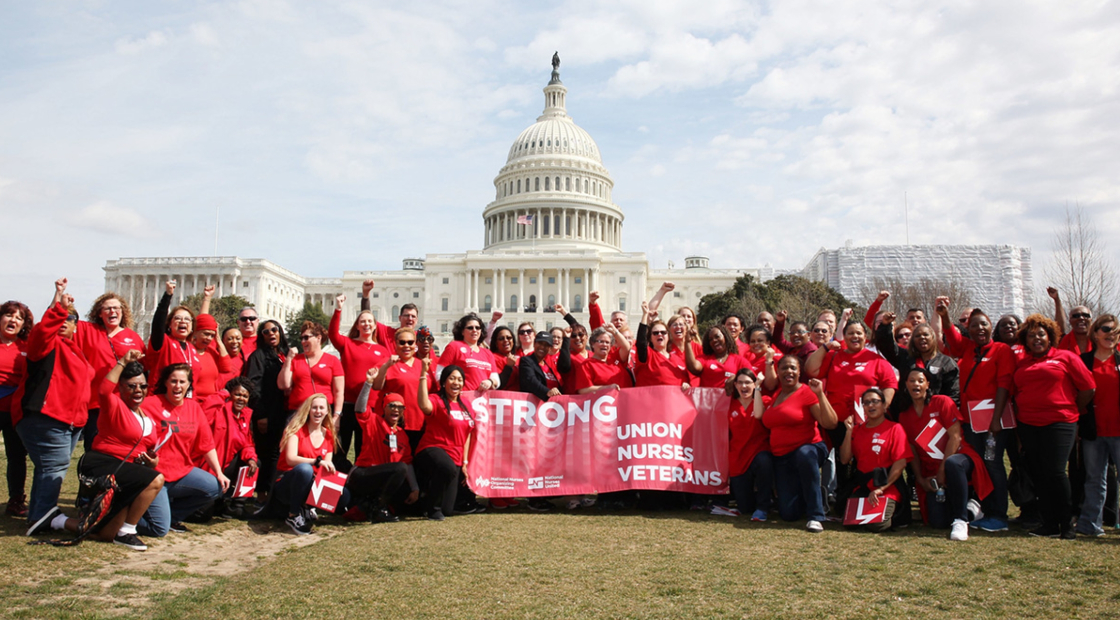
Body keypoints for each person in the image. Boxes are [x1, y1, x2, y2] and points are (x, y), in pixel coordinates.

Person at [19, 279, 94, 536]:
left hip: (71, 421)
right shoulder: (45, 345)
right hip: (46, 416)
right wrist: (59, 307)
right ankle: (43, 515)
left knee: (50, 467)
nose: (64, 322)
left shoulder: (76, 350)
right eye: (61, 318)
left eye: (70, 319)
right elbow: (41, 333)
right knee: (54, 466)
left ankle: (38, 514)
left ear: (77, 325)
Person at [937, 298, 1016, 532]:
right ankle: (982, 507)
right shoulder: (969, 349)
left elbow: (1004, 385)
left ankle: (999, 515)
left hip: (994, 421)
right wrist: (944, 316)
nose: (979, 329)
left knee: (993, 464)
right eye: (974, 326)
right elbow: (953, 338)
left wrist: (996, 420)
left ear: (991, 326)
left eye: (983, 324)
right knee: (979, 464)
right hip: (971, 421)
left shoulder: (1002, 350)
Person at [73, 349, 165, 550]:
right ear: (121, 388)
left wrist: (153, 462)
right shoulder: (114, 404)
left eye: (143, 386)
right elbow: (104, 389)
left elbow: (149, 447)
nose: (138, 390)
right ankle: (127, 532)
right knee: (157, 479)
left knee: (105, 534)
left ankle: (57, 521)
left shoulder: (147, 415)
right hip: (105, 463)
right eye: (131, 386)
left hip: (130, 471)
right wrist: (123, 361)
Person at [1014, 313, 1095, 539]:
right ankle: (1048, 524)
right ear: (1025, 340)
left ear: (1050, 337)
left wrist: (1071, 409)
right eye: (1031, 336)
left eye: (1041, 334)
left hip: (1060, 423)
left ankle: (1066, 524)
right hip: (1029, 424)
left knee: (1056, 472)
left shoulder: (1065, 357)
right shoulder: (1022, 363)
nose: (1037, 339)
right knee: (1039, 474)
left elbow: (1088, 389)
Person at [897, 368, 991, 541]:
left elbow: (955, 437)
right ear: (905, 385)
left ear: (927, 384)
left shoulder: (942, 402)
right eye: (912, 381)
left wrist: (942, 471)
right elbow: (913, 451)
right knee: (938, 522)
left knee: (953, 464)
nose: (916, 384)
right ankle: (970, 510)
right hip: (930, 469)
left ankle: (962, 520)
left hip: (959, 458)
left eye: (920, 380)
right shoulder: (904, 415)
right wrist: (920, 479)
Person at [141, 364, 229, 534]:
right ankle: (124, 518)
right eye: (173, 381)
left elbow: (207, 444)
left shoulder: (193, 407)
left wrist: (218, 472)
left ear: (189, 385)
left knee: (215, 487)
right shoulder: (149, 404)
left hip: (181, 473)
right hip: (155, 475)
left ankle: (170, 516)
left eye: (182, 381)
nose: (177, 386)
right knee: (159, 530)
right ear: (165, 382)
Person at [756, 356, 838, 532]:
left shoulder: (807, 392)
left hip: (809, 449)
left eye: (793, 368)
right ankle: (815, 495)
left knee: (804, 454)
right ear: (777, 372)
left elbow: (830, 423)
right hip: (782, 459)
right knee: (789, 514)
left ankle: (816, 515)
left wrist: (820, 394)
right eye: (784, 368)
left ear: (799, 371)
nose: (789, 372)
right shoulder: (776, 395)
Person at [805, 319, 897, 449]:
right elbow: (811, 370)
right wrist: (826, 347)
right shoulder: (834, 356)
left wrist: (879, 410)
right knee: (841, 462)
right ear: (845, 336)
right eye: (850, 333)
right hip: (837, 421)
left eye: (859, 333)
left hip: (866, 420)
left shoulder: (877, 360)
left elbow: (889, 385)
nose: (855, 336)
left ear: (865, 337)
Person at [75, 291, 144, 453]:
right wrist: (61, 299)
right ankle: (92, 478)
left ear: (123, 311)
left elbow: (143, 368)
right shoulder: (88, 330)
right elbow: (64, 323)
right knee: (94, 447)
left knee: (121, 448)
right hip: (96, 402)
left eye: (116, 308)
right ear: (99, 313)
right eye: (107, 309)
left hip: (124, 403)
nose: (112, 312)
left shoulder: (133, 337)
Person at [329, 295, 392, 471]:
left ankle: (359, 488)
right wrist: (338, 309)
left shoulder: (382, 351)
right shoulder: (348, 344)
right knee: (339, 449)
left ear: (374, 325)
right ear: (357, 325)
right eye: (362, 321)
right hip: (347, 405)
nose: (366, 324)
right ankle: (337, 486)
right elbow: (333, 334)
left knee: (363, 451)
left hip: (368, 408)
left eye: (370, 321)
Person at [838, 388, 911, 532]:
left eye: (875, 402)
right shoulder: (858, 430)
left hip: (887, 485)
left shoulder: (895, 428)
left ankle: (893, 511)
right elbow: (844, 459)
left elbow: (900, 462)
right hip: (864, 485)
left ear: (884, 406)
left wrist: (881, 489)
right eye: (866, 403)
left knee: (877, 525)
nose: (871, 405)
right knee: (850, 524)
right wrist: (849, 432)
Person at [344, 382, 416, 522]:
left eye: (400, 407)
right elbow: (359, 409)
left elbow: (408, 463)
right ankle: (379, 509)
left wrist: (415, 489)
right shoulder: (374, 421)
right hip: (363, 474)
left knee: (406, 489)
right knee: (399, 468)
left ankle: (369, 507)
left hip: (383, 478)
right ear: (384, 408)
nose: (396, 410)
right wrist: (368, 384)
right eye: (392, 406)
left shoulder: (402, 435)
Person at [273, 394, 344, 535]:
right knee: (305, 470)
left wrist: (335, 484)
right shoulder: (295, 429)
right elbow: (290, 459)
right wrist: (316, 461)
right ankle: (293, 515)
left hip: (310, 482)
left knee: (344, 496)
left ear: (327, 412)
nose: (318, 411)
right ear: (308, 410)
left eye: (321, 408)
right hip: (287, 482)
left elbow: (326, 467)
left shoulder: (329, 434)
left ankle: (307, 507)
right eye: (314, 408)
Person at [415, 361, 476, 521]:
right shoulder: (437, 400)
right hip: (433, 448)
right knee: (445, 467)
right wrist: (423, 374)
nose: (456, 382)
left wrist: (464, 462)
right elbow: (423, 405)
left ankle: (424, 501)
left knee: (448, 509)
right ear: (443, 382)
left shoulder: (466, 406)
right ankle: (432, 509)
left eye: (459, 379)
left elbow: (468, 433)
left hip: (455, 458)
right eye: (452, 378)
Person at [1077, 314, 1120, 537]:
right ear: (1095, 333)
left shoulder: (1119, 360)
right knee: (1094, 480)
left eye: (1115, 330)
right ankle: (1090, 525)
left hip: (1118, 430)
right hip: (1094, 431)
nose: (1110, 334)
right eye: (1105, 329)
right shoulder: (1084, 361)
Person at [875, 313, 960, 417]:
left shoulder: (946, 363)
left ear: (933, 337)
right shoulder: (905, 357)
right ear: (913, 340)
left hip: (936, 416)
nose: (922, 338)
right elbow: (886, 346)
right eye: (917, 336)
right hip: (907, 415)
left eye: (926, 335)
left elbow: (953, 394)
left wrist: (946, 416)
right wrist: (885, 326)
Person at [719, 368, 773, 521]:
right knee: (745, 508)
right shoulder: (728, 405)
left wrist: (758, 390)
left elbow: (758, 415)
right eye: (741, 383)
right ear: (735, 385)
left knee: (765, 462)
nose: (744, 386)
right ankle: (756, 502)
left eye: (748, 383)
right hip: (738, 458)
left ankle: (763, 507)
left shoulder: (764, 400)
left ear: (754, 384)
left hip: (759, 452)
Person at [372, 327, 437, 453]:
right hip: (396, 424)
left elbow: (433, 392)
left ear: (415, 344)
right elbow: (376, 386)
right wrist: (385, 367)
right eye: (402, 342)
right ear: (395, 344)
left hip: (421, 424)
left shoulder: (423, 364)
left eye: (410, 342)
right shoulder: (388, 363)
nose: (406, 346)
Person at [200, 377, 258, 519]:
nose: (241, 399)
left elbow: (247, 443)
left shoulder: (247, 415)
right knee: (202, 516)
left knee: (253, 462)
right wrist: (223, 393)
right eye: (237, 394)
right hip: (209, 466)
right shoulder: (218, 411)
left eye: (245, 396)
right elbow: (205, 410)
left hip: (228, 464)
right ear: (230, 395)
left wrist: (251, 458)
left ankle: (236, 506)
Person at [244, 320, 289, 498]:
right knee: (267, 453)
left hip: (283, 411)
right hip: (267, 412)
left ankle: (275, 490)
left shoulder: (284, 354)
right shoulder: (258, 356)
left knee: (279, 453)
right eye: (266, 331)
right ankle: (262, 492)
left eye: (274, 330)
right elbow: (253, 387)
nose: (271, 333)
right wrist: (260, 414)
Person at [0, 300, 32, 516]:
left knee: (16, 455)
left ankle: (16, 499)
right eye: (9, 315)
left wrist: (57, 296)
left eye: (19, 317)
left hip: (14, 409)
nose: (13, 320)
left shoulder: (27, 346)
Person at [278, 321, 344, 419]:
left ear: (318, 338)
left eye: (306, 337)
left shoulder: (332, 360)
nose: (303, 341)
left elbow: (338, 391)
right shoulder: (295, 360)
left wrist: (336, 415)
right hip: (298, 412)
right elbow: (284, 385)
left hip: (322, 412)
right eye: (301, 338)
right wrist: (289, 359)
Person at [145, 281, 200, 393]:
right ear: (170, 324)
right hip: (161, 398)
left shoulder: (192, 348)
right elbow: (158, 325)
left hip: (185, 401)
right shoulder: (164, 342)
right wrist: (167, 296)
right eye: (178, 318)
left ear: (192, 327)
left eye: (187, 319)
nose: (182, 321)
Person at [634, 302, 690, 390]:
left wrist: (686, 385)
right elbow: (641, 343)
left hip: (674, 401)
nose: (660, 335)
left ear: (668, 336)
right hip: (651, 401)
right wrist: (645, 315)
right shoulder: (648, 355)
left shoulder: (678, 358)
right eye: (655, 333)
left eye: (663, 332)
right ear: (650, 338)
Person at [437, 314, 500, 392]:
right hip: (460, 398)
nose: (474, 330)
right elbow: (439, 374)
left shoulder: (487, 353)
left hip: (483, 401)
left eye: (477, 328)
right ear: (462, 331)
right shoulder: (454, 347)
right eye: (470, 328)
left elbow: (496, 380)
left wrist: (490, 382)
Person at [684, 325, 747, 389]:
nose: (714, 340)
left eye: (717, 337)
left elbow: (751, 377)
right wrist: (687, 342)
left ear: (725, 337)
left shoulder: (739, 360)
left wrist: (736, 378)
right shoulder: (705, 359)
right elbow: (693, 368)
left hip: (731, 399)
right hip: (707, 398)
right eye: (711, 339)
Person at [576, 324, 633, 393]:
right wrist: (607, 388)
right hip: (607, 402)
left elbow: (626, 348)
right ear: (592, 343)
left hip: (627, 399)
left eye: (607, 342)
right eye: (601, 341)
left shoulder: (615, 358)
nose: (604, 344)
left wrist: (615, 331)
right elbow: (583, 390)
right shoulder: (587, 365)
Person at [188, 312, 232, 401]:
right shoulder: (187, 350)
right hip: (193, 402)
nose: (209, 338)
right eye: (206, 334)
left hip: (210, 403)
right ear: (195, 332)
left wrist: (218, 340)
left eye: (212, 335)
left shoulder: (211, 351)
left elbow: (226, 368)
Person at [1047, 287, 1092, 354]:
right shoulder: (1064, 341)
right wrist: (1057, 300)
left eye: (1086, 315)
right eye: (1076, 316)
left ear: (1091, 320)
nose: (1081, 318)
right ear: (1070, 320)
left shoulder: (1099, 341)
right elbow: (1059, 329)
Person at [490, 326, 521, 393]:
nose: (506, 340)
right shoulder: (492, 358)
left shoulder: (519, 358)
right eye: (501, 338)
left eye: (509, 338)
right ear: (496, 343)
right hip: (501, 398)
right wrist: (508, 367)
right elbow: (497, 384)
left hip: (519, 399)